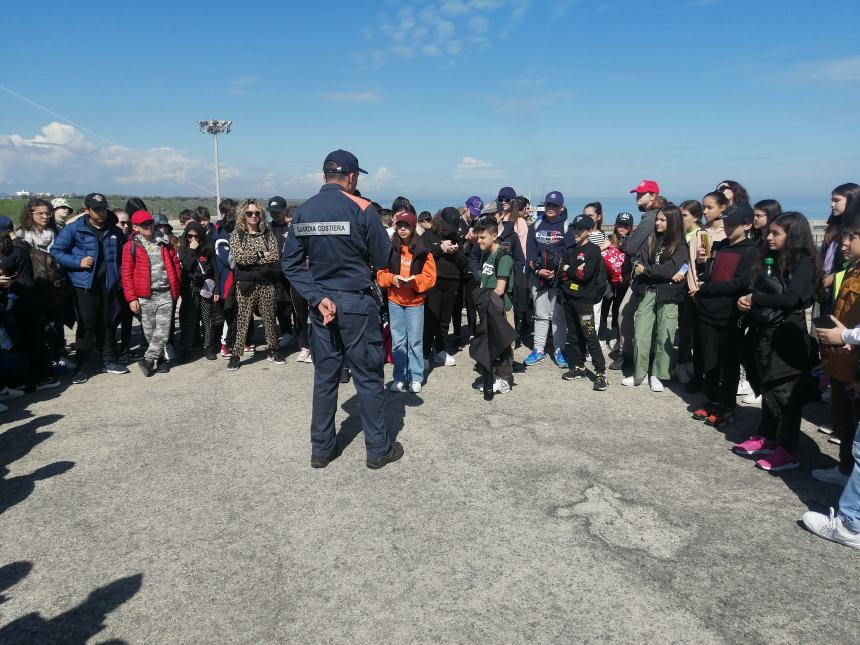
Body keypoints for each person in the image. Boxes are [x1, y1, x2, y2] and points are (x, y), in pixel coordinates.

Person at [282, 148, 403, 470]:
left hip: (321, 305)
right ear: (351, 177)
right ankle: (377, 449)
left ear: (324, 176)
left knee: (325, 377)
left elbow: (290, 264)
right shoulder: (363, 209)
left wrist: (315, 296)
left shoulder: (304, 211)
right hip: (356, 303)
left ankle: (321, 449)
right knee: (368, 377)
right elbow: (383, 258)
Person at [733, 212, 821, 471]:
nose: (769, 237)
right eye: (769, 232)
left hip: (788, 337)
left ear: (792, 236)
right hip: (765, 332)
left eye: (776, 233)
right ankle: (767, 436)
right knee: (768, 388)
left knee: (786, 394)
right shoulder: (773, 259)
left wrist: (754, 299)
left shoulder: (804, 263)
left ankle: (787, 449)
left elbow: (793, 299)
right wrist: (748, 301)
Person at [690, 203, 760, 427]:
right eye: (725, 223)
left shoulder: (752, 250)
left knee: (727, 363)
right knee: (709, 361)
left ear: (747, 224)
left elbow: (740, 283)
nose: (727, 228)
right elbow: (710, 274)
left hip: (730, 314)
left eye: (732, 224)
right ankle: (711, 400)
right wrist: (703, 266)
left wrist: (705, 288)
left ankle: (727, 406)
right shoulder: (719, 246)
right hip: (708, 312)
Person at [51, 192, 129, 383]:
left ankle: (108, 360)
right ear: (87, 210)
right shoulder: (74, 229)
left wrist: (119, 276)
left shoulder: (114, 230)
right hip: (83, 285)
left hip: (108, 284)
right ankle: (81, 366)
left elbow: (123, 255)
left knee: (107, 322)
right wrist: (78, 262)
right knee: (86, 324)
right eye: (96, 209)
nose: (101, 212)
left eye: (103, 208)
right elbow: (56, 251)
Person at [812, 221, 860, 487]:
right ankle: (844, 469)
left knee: (853, 420)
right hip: (841, 360)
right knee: (843, 419)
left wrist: (844, 336)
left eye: (852, 237)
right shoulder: (852, 269)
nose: (844, 243)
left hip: (854, 362)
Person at [621, 203, 688, 391]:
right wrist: (648, 270)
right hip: (648, 291)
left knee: (664, 334)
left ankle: (659, 374)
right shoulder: (651, 240)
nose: (657, 223)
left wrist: (647, 270)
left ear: (673, 221)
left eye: (662, 220)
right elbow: (637, 261)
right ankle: (639, 373)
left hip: (669, 294)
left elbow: (671, 269)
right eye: (657, 219)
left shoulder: (681, 244)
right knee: (640, 334)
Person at [376, 210, 436, 393]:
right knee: (398, 341)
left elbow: (430, 277)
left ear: (412, 227)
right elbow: (380, 273)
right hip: (395, 300)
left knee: (415, 341)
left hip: (415, 302)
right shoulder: (389, 248)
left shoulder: (423, 250)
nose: (402, 229)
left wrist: (415, 281)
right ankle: (400, 376)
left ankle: (416, 376)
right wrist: (392, 279)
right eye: (399, 225)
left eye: (406, 225)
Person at [0, 219, 60, 391]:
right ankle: (42, 376)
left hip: (23, 302)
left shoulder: (12, 251)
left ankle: (43, 377)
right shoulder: (23, 244)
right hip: (32, 299)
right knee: (34, 339)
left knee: (30, 341)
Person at [121, 211, 181, 376]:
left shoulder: (164, 241)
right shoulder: (130, 247)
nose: (148, 226)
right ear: (135, 227)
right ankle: (159, 359)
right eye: (143, 224)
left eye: (150, 223)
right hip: (144, 296)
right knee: (150, 332)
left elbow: (175, 263)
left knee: (162, 331)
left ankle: (147, 359)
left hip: (165, 294)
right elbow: (126, 275)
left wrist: (176, 282)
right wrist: (132, 298)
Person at [227, 199, 284, 370]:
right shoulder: (237, 234)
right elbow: (240, 259)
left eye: (257, 213)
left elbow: (274, 256)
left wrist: (252, 255)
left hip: (266, 283)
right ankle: (236, 355)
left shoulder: (268, 233)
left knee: (269, 318)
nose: (253, 216)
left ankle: (273, 349)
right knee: (243, 319)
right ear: (243, 215)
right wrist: (261, 255)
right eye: (249, 213)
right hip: (245, 284)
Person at [613, 180, 662, 371]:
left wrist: (625, 243)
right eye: (637, 193)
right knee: (632, 314)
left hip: (646, 274)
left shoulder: (650, 218)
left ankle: (630, 355)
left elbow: (631, 246)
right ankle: (635, 355)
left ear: (653, 196)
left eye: (642, 194)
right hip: (646, 273)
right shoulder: (653, 215)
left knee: (629, 314)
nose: (638, 197)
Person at [560, 215, 608, 390]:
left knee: (589, 335)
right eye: (574, 228)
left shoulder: (593, 250)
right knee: (573, 334)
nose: (576, 232)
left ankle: (601, 373)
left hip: (585, 300)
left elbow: (585, 275)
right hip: (568, 298)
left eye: (580, 229)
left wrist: (569, 269)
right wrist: (572, 270)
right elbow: (562, 273)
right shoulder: (569, 250)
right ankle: (579, 366)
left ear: (588, 231)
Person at [524, 190, 571, 368]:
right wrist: (538, 271)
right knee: (541, 315)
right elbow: (530, 254)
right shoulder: (535, 226)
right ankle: (539, 349)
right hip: (539, 278)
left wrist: (558, 271)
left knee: (558, 316)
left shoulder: (567, 227)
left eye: (555, 205)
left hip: (559, 280)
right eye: (548, 205)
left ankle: (559, 350)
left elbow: (570, 253)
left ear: (561, 207)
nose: (551, 208)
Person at [471, 216, 516, 395]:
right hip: (488, 307)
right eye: (478, 237)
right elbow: (484, 281)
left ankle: (504, 380)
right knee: (490, 345)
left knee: (503, 345)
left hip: (501, 309)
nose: (479, 240)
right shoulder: (486, 254)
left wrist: (481, 295)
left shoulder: (503, 258)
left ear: (494, 235)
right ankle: (493, 376)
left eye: (483, 237)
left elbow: (499, 289)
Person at [423, 207, 467, 367]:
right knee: (430, 319)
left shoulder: (457, 238)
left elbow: (463, 263)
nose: (449, 230)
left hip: (452, 281)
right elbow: (422, 256)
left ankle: (440, 350)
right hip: (434, 281)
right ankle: (425, 353)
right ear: (440, 221)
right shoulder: (428, 235)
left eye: (452, 228)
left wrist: (455, 252)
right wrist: (440, 248)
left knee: (444, 320)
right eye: (448, 226)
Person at [179, 221, 219, 361]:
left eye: (196, 236)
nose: (193, 239)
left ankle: (208, 347)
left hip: (207, 287)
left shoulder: (208, 248)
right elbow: (187, 267)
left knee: (207, 319)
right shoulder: (183, 248)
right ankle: (187, 348)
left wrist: (217, 290)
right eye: (190, 236)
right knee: (191, 320)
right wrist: (191, 250)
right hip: (192, 288)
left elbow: (215, 270)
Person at [266, 196, 295, 340]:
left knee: (296, 306)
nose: (274, 214)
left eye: (277, 212)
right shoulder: (267, 228)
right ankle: (286, 331)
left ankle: (301, 336)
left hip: (292, 274)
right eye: (272, 212)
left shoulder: (291, 227)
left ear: (285, 210)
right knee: (279, 303)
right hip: (275, 274)